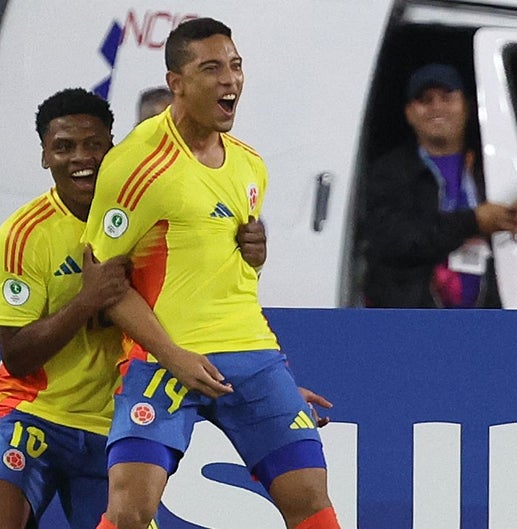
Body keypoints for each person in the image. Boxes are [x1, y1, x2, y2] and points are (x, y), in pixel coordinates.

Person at [82, 18, 341, 529]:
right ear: (176, 82)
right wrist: (173, 355)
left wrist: (278, 383)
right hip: (163, 359)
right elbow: (102, 283)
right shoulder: (137, 164)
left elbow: (224, 268)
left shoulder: (249, 165)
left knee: (310, 499)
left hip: (251, 357)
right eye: (211, 68)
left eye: (236, 66)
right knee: (130, 512)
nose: (230, 80)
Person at [0, 87, 132, 529]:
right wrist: (87, 300)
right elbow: (17, 356)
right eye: (63, 147)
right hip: (33, 413)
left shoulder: (143, 221)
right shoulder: (24, 234)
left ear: (112, 148)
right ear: (45, 156)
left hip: (114, 426)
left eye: (93, 144)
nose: (81, 158)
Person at [361, 63, 517, 308]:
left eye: (447, 97)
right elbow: (395, 239)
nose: (437, 107)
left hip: (490, 315)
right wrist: (473, 222)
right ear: (409, 113)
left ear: (466, 106)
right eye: (425, 100)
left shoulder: (493, 163)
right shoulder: (389, 172)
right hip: (414, 317)